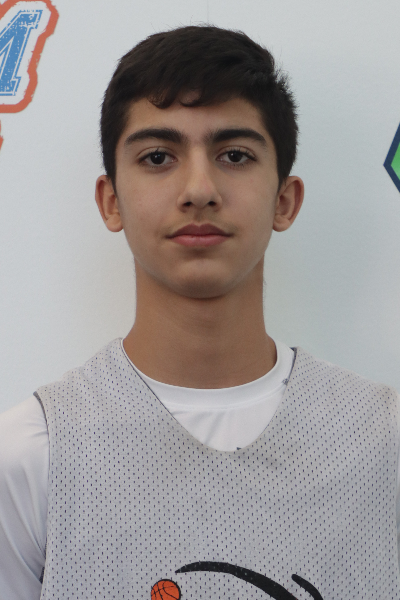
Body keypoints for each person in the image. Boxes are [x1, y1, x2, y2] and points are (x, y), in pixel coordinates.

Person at [0, 25, 399, 600]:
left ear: (284, 200)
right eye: (158, 157)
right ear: (111, 201)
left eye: (234, 155)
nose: (199, 189)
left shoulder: (384, 441)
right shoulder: (32, 455)